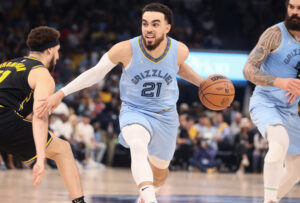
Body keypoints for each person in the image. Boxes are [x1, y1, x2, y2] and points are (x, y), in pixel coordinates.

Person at [37, 3, 203, 203]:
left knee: (160, 173)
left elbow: (178, 68)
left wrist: (203, 83)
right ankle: (151, 200)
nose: (149, 29)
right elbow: (96, 73)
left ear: (167, 28)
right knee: (137, 144)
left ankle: (146, 196)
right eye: (145, 24)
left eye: (155, 24)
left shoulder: (180, 50)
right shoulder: (125, 49)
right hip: (135, 111)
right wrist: (61, 93)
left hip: (166, 116)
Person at [0, 26, 85, 203]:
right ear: (49, 50)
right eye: (58, 51)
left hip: (6, 117)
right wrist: (41, 159)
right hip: (4, 120)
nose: (59, 57)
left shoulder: (6, 64)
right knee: (63, 150)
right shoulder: (42, 74)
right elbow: (40, 117)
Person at [243, 0, 300, 202]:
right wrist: (279, 82)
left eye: (299, 8)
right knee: (279, 144)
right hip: (266, 102)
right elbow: (248, 69)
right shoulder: (275, 34)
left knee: (296, 171)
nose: (294, 12)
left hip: (291, 110)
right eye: (291, 7)